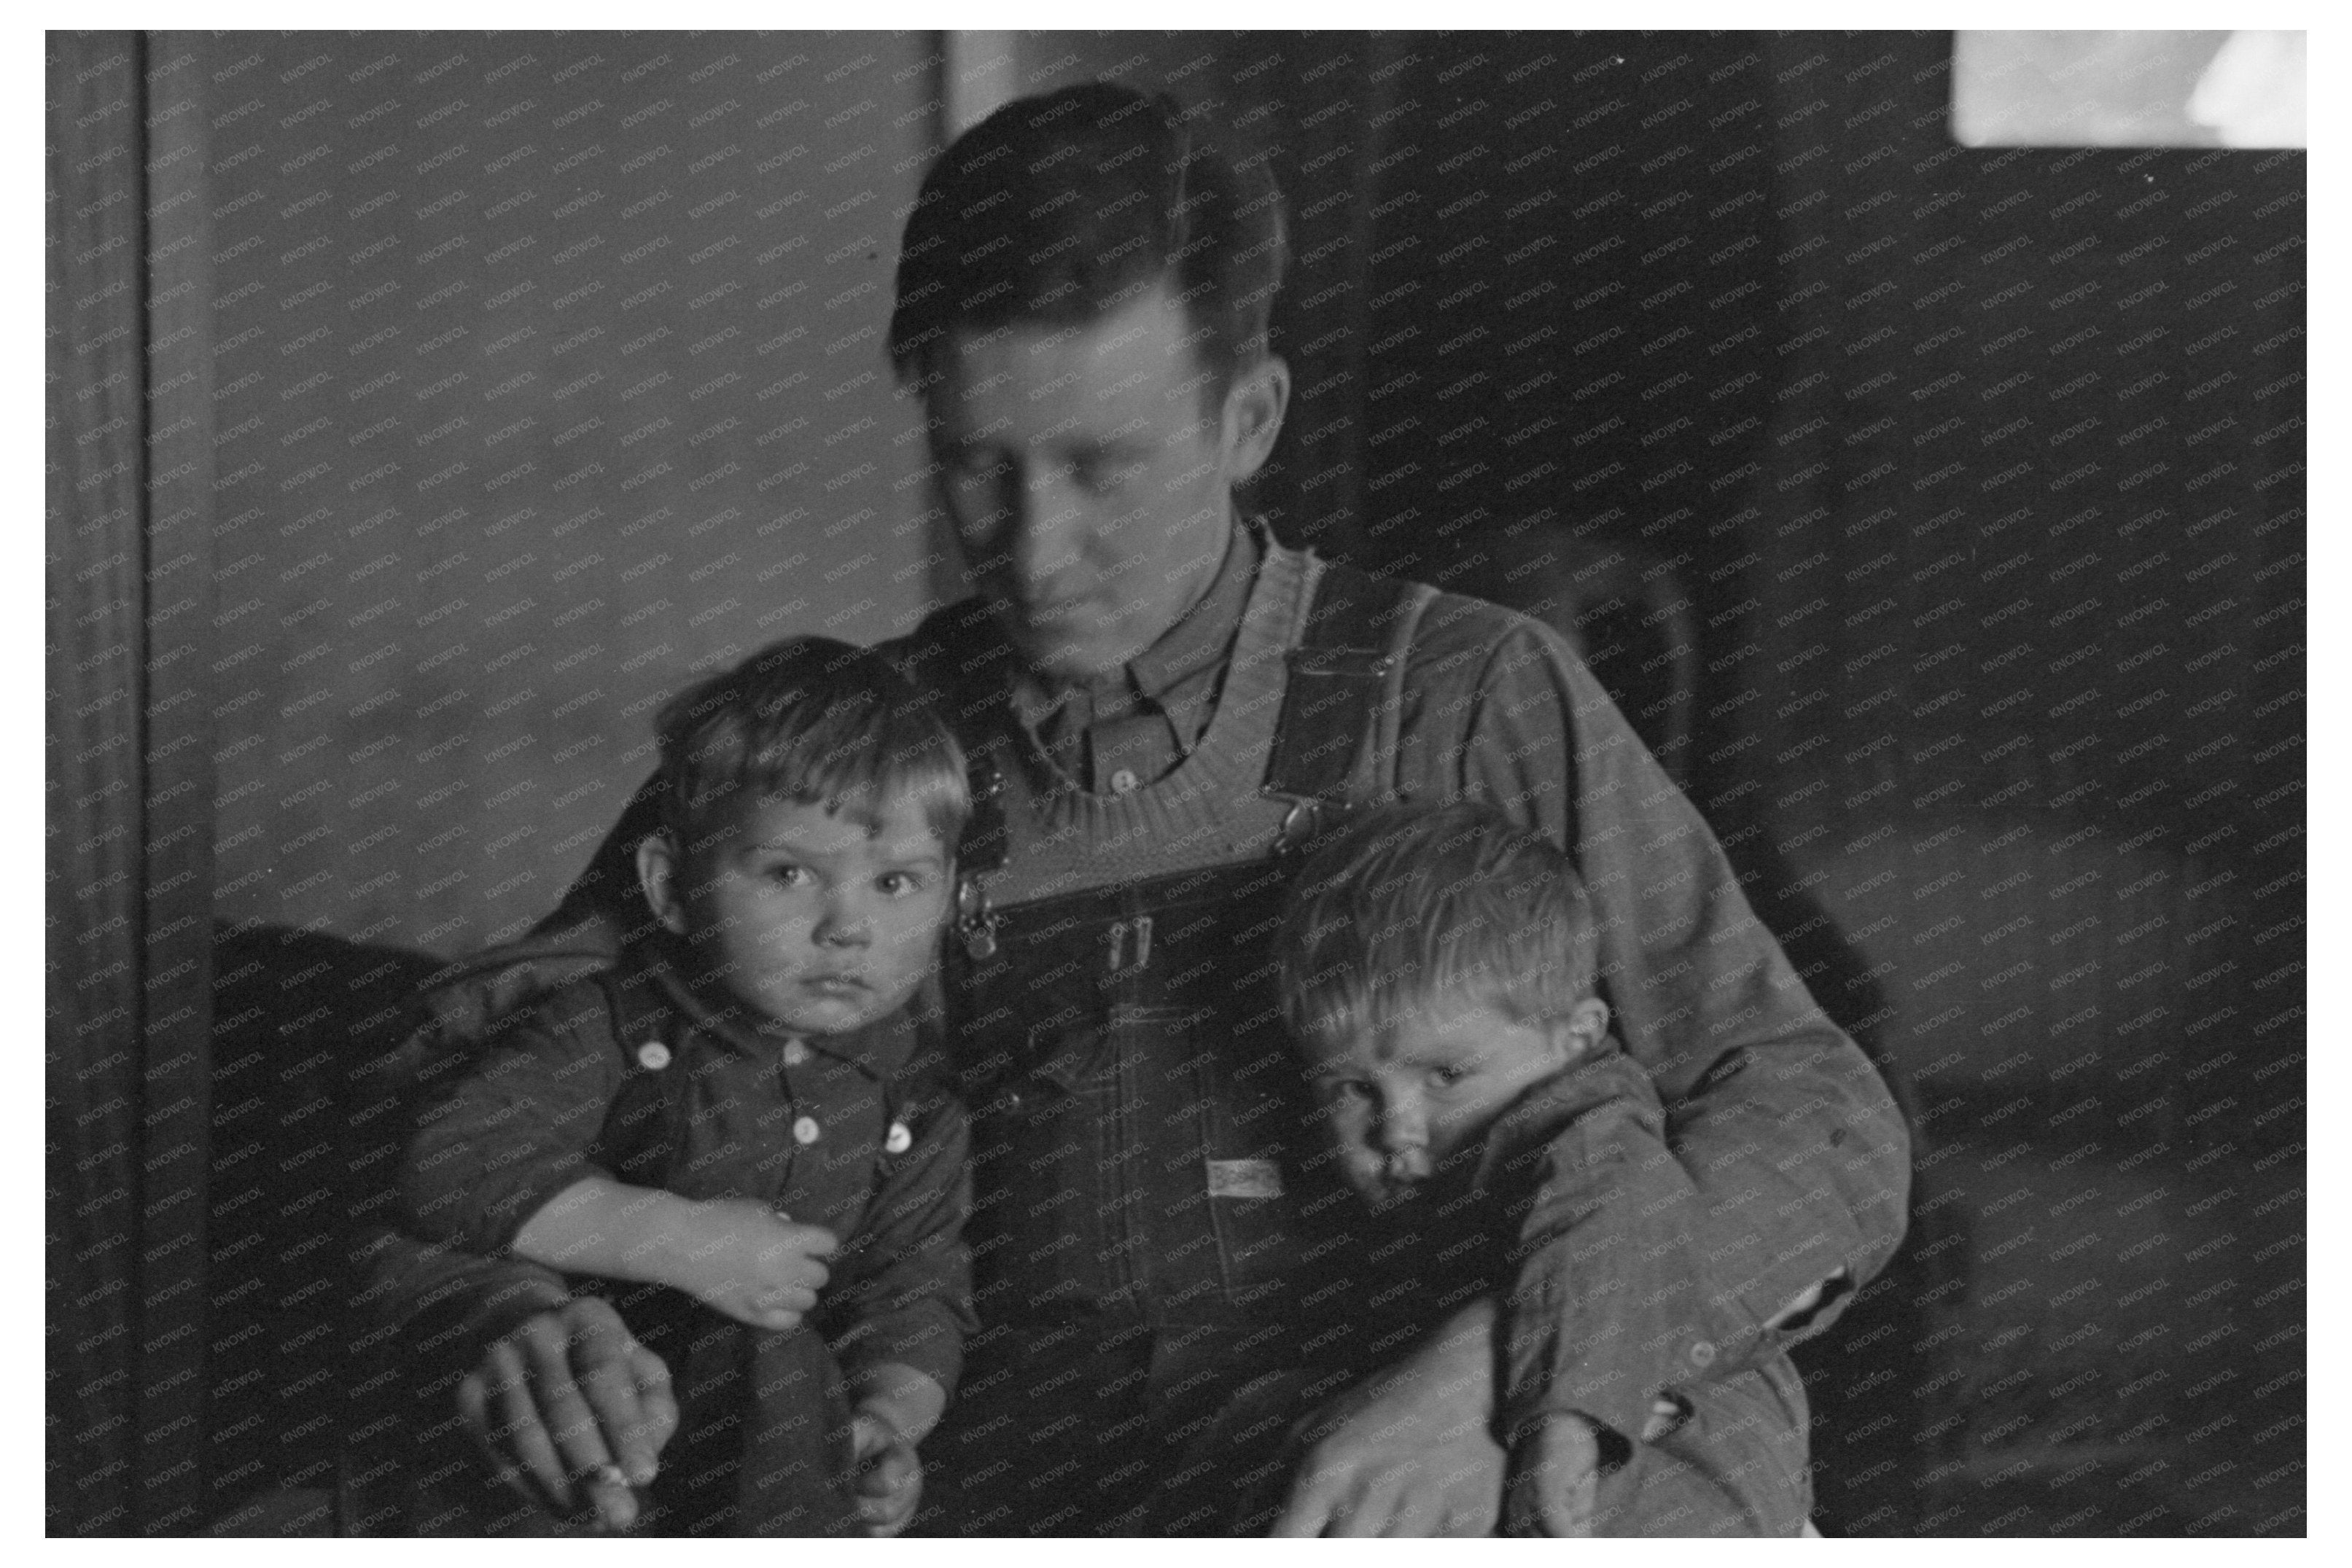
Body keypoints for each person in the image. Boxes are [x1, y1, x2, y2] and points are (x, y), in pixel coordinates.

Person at [363, 81, 1909, 1536]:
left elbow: (1813, 1124)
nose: (1035, 550)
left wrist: (1511, 1362)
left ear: (1248, 420)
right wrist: (504, 1309)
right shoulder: (840, 755)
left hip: (1449, 1459)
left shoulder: (1469, 694)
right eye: (979, 467)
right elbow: (442, 1120)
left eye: (1101, 468)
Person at [389, 637, 974, 1535]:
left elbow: (915, 1287)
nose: (849, 926)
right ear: (670, 888)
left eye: (896, 882)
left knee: (780, 1370)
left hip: (774, 1468)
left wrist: (887, 1418)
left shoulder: (915, 1100)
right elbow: (443, 1160)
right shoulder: (614, 1027)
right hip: (592, 1425)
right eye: (790, 874)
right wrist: (684, 1243)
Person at [1275, 800, 1815, 1536]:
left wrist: (1562, 1428)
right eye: (1351, 1090)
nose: (1397, 1128)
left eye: (1446, 1075)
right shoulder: (1418, 1193)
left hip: (1690, 1454)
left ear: (1576, 1036)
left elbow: (1602, 1238)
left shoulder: (1587, 1129)